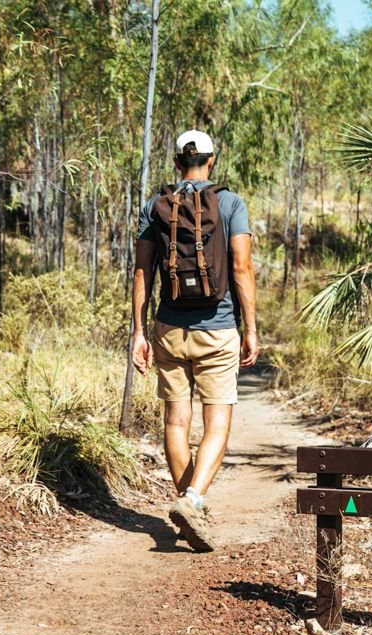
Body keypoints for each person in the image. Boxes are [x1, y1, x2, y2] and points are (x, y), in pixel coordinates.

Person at [129, 129, 259, 552]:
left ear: (176, 161)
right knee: (217, 422)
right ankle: (193, 499)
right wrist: (251, 328)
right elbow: (241, 268)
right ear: (212, 159)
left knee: (175, 421)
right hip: (218, 330)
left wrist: (138, 332)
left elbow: (142, 271)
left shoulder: (156, 206)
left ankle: (190, 506)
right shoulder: (230, 203)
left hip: (168, 328)